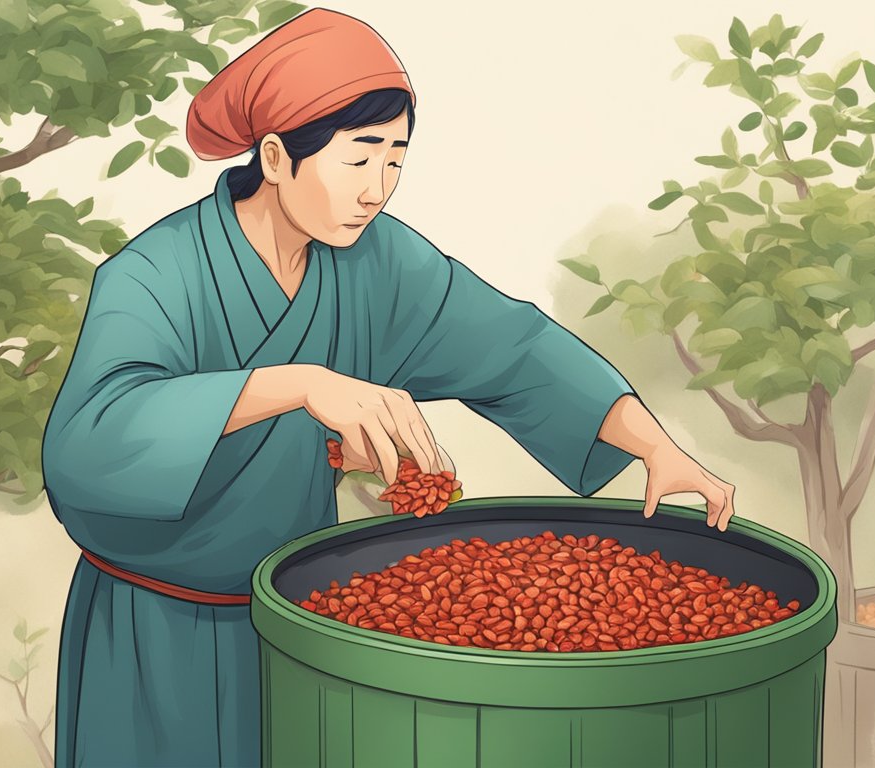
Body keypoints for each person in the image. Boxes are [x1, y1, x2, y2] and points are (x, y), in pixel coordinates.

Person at [41, 8, 737, 767]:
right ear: (276, 157)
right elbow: (90, 442)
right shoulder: (154, 275)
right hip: (149, 635)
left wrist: (653, 447)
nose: (379, 190)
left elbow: (515, 347)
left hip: (302, 627)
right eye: (359, 158)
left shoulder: (379, 263)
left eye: (396, 161)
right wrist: (295, 384)